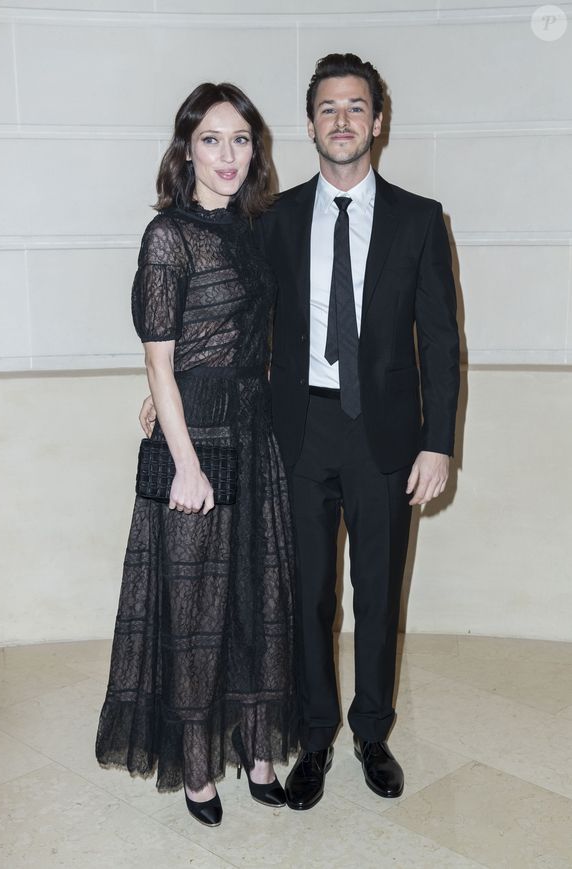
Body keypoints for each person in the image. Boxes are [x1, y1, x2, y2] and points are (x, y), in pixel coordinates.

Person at [140, 52, 460, 811]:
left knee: (379, 595)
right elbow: (216, 312)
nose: (342, 120)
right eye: (327, 108)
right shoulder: (273, 219)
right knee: (305, 596)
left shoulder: (420, 218)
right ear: (309, 123)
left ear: (377, 121)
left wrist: (438, 440)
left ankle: (371, 732)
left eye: (356, 107)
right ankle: (314, 734)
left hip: (387, 434)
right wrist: (160, 388)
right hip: (295, 430)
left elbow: (443, 342)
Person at [96, 82, 297, 828]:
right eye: (212, 139)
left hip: (255, 429)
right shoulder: (168, 237)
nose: (229, 154)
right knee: (196, 608)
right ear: (187, 149)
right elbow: (158, 359)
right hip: (195, 441)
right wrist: (183, 460)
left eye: (241, 139)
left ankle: (256, 747)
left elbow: (257, 337)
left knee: (257, 597)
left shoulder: (254, 229)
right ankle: (195, 763)